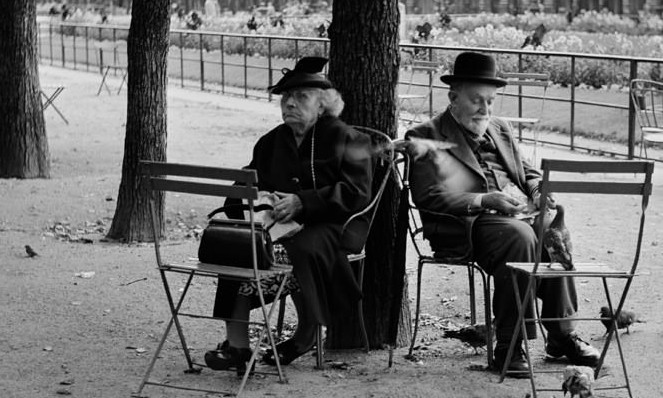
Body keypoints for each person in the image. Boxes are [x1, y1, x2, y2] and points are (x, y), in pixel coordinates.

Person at [406, 51, 597, 377]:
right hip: (464, 224)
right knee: (521, 237)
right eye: (476, 100)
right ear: (453, 97)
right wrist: (484, 199)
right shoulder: (426, 135)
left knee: (551, 228)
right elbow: (428, 195)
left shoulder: (500, 128)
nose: (485, 109)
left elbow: (528, 172)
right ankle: (509, 345)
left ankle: (561, 334)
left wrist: (538, 191)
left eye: (491, 101)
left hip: (512, 216)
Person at [204, 57, 373, 375]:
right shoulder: (270, 142)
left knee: (295, 249)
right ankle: (237, 346)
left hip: (334, 225)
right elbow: (246, 183)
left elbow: (356, 193)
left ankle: (306, 333)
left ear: (323, 106)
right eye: (286, 98)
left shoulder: (350, 139)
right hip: (276, 226)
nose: (290, 104)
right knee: (239, 247)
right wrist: (258, 201)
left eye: (301, 97)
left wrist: (302, 203)